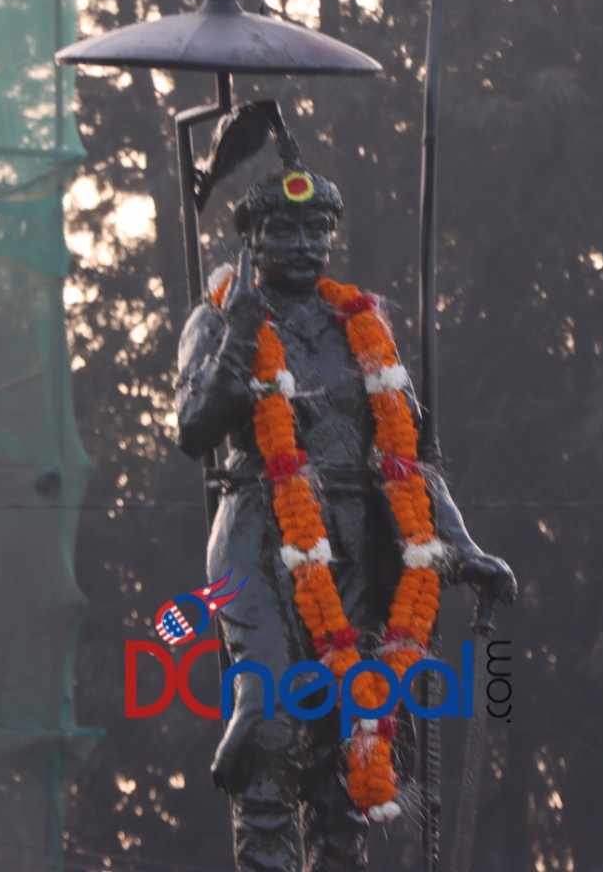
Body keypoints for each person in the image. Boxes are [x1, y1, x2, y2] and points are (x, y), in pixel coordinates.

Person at [174, 149, 517, 871]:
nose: (301, 245)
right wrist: (239, 333)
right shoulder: (218, 319)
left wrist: (461, 547)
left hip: (358, 539)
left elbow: (409, 459)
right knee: (270, 721)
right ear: (253, 237)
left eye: (315, 230)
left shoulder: (361, 325)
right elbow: (195, 429)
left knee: (352, 728)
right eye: (285, 230)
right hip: (261, 531)